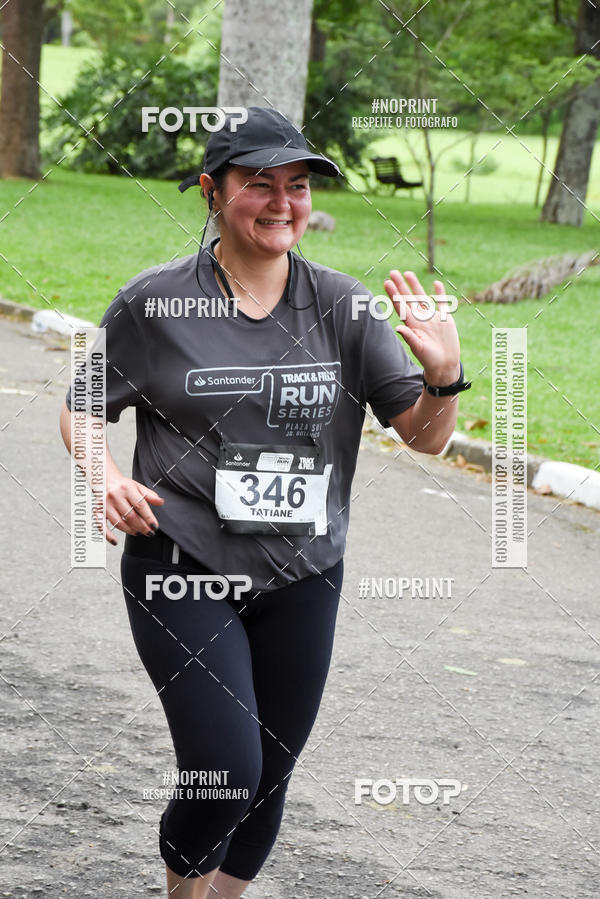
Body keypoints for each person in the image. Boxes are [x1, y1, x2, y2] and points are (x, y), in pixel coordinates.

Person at [59, 106, 470, 898]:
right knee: (225, 766)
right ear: (213, 191)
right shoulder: (155, 303)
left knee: (270, 772)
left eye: (298, 185)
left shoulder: (344, 307)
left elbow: (423, 436)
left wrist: (443, 376)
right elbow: (80, 404)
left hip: (305, 570)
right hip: (182, 567)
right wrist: (103, 474)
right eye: (259, 184)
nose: (283, 202)